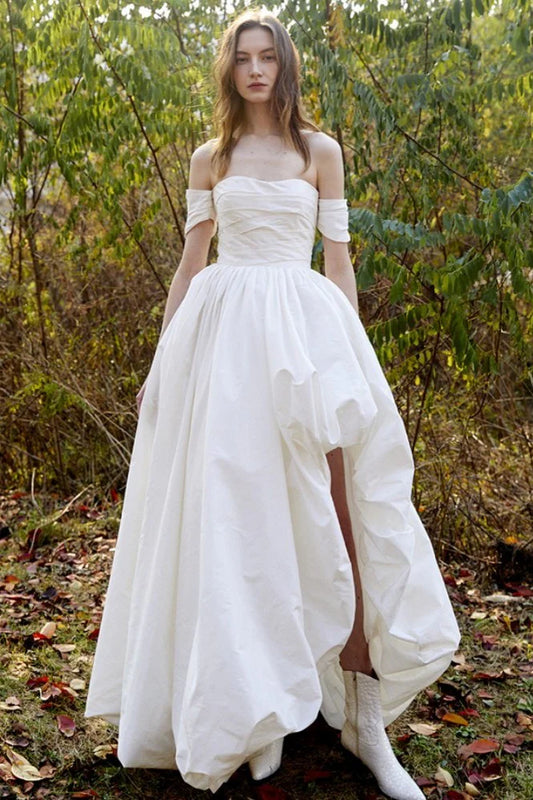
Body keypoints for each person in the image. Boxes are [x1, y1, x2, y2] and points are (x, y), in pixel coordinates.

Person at [85, 10, 460, 800]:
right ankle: (256, 712)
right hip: (223, 348)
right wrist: (163, 358)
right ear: (229, 72)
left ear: (285, 67)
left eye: (268, 58)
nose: (255, 70)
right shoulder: (209, 158)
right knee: (238, 518)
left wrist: (349, 358)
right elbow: (191, 265)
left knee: (341, 509)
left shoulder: (319, 152)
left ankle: (362, 718)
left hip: (303, 341)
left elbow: (338, 263)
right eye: (242, 59)